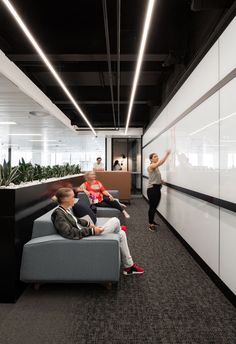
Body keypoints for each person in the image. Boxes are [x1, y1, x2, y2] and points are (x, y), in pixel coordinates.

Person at [51, 187, 144, 275]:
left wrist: (88, 224)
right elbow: (69, 233)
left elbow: (76, 220)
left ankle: (129, 267)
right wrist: (92, 231)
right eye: (72, 197)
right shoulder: (58, 214)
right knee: (115, 220)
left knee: (121, 233)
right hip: (82, 237)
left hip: (85, 233)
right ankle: (116, 229)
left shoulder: (65, 210)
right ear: (64, 199)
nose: (74, 199)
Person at [147, 149, 171, 232]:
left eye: (157, 156)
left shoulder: (156, 168)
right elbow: (160, 163)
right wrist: (167, 154)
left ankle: (152, 220)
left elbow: (156, 177)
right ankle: (150, 224)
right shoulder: (151, 166)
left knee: (154, 207)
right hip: (152, 189)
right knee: (152, 207)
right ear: (151, 159)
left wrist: (162, 181)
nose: (157, 157)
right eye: (155, 156)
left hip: (157, 189)